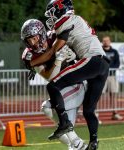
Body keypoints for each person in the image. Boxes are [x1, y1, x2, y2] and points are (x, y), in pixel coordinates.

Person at [28, 1, 110, 149]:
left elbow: (51, 52)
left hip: (92, 60)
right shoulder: (75, 20)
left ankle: (64, 123)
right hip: (103, 65)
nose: (51, 19)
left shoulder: (65, 23)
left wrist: (31, 64)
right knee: (89, 110)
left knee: (53, 86)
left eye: (52, 14)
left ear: (61, 11)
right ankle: (94, 142)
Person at [21, 19, 88, 150]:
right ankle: (72, 142)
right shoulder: (30, 55)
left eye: (34, 38)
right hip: (60, 88)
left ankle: (75, 141)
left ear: (42, 34)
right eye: (29, 40)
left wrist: (74, 54)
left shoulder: (55, 37)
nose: (32, 43)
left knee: (65, 124)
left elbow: (79, 45)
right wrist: (58, 60)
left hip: (76, 84)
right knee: (46, 108)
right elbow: (50, 77)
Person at [101, 35, 123, 120]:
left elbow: (117, 63)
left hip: (112, 76)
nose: (105, 42)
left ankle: (115, 113)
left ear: (110, 41)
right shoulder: (99, 51)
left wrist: (110, 69)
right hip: (102, 76)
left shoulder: (115, 51)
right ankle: (96, 113)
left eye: (107, 40)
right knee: (99, 95)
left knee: (113, 94)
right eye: (104, 41)